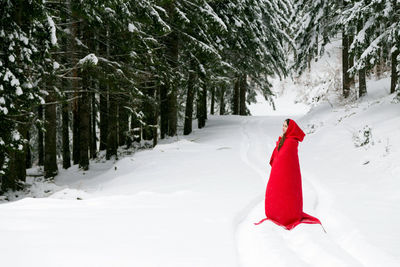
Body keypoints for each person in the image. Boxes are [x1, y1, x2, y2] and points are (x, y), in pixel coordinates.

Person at [254, 119, 326, 232]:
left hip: (287, 176)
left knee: (286, 195)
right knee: (275, 193)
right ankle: (274, 213)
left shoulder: (292, 142)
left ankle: (286, 216)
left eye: (286, 126)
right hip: (277, 173)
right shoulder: (284, 139)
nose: (283, 128)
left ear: (291, 128)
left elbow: (286, 159)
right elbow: (278, 156)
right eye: (282, 126)